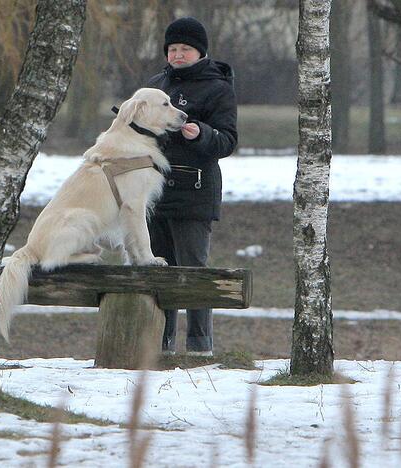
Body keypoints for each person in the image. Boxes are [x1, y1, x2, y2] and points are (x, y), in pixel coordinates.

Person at [146, 17, 238, 356]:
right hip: (153, 192)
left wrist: (202, 133)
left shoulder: (218, 88)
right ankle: (161, 343)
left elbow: (228, 141)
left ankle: (200, 346)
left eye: (185, 48)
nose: (177, 54)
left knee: (193, 270)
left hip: (195, 191)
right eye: (172, 49)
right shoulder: (156, 85)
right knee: (158, 269)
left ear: (199, 51)